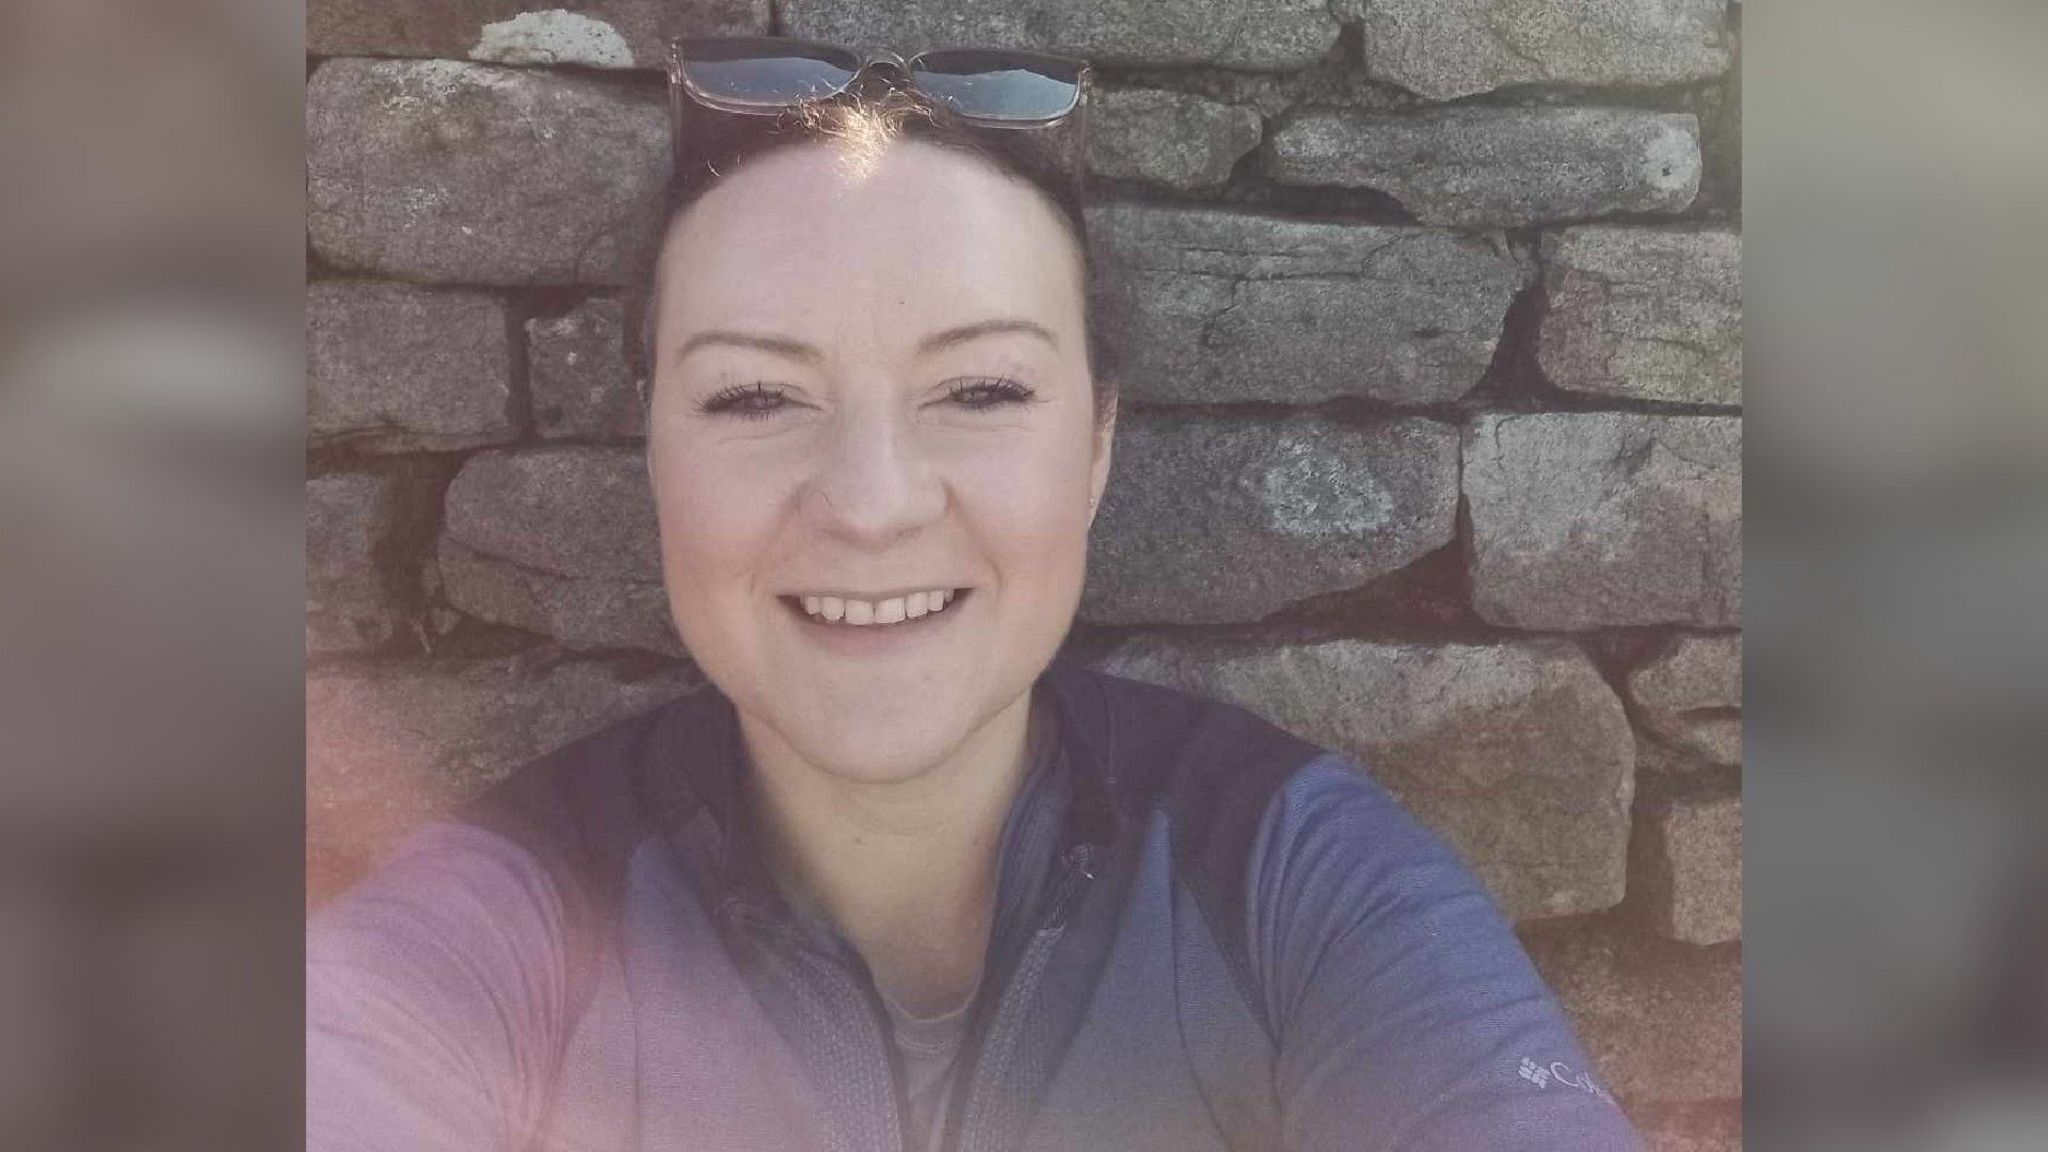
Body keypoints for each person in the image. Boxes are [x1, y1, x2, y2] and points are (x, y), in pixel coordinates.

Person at [307, 37, 1642, 1152]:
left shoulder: (1294, 882)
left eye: (983, 391)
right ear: (651, 437)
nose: (872, 500)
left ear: (1101, 439)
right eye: (757, 395)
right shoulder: (497, 927)